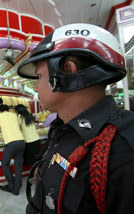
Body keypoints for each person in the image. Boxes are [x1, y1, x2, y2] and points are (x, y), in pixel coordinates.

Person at [17, 23, 134, 213]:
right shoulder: (60, 129)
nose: (36, 88)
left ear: (67, 72)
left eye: (38, 76)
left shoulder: (121, 152)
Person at [0, 104, 25, 195]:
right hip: (21, 142)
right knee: (18, 168)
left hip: (11, 143)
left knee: (4, 164)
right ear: (8, 109)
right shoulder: (14, 115)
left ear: (0, 110)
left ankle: (11, 185)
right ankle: (16, 189)